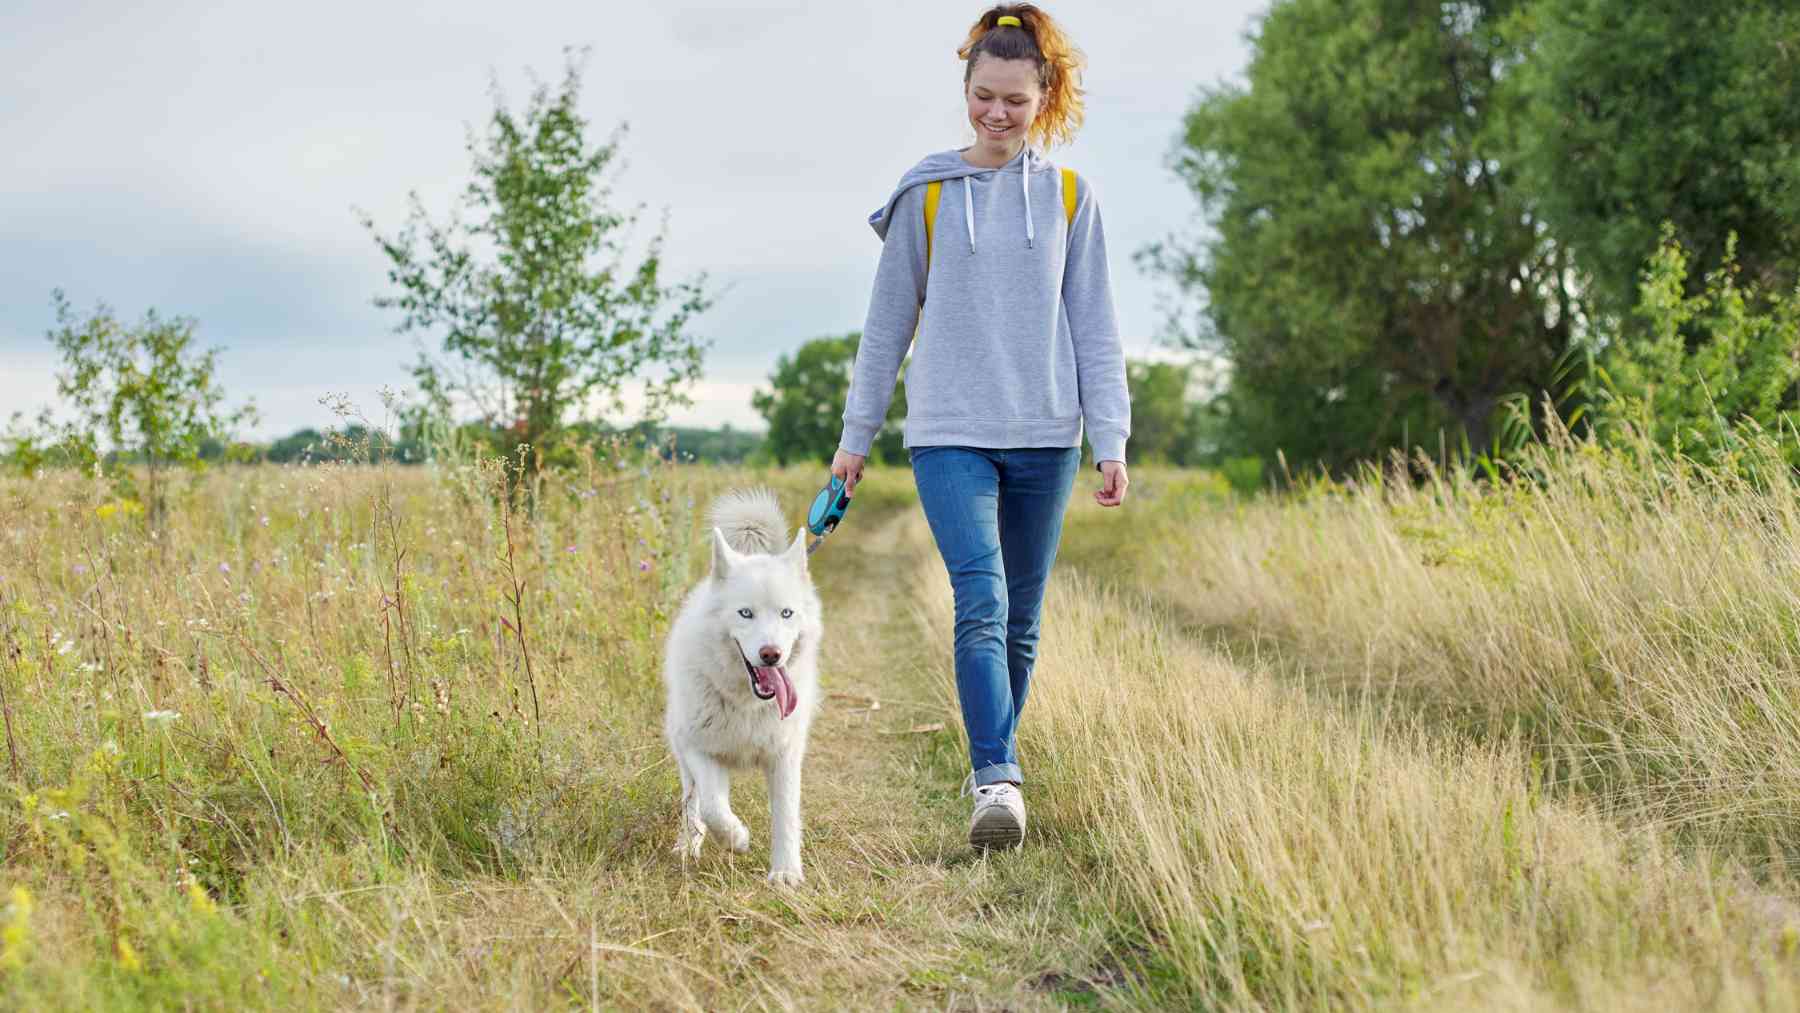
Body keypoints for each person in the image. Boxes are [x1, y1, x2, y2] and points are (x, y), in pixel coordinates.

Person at [831, 3, 1131, 851]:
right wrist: (857, 439)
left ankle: (989, 768)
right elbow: (886, 328)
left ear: (1045, 97)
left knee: (1023, 619)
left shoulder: (1073, 197)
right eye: (983, 97)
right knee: (983, 597)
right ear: (964, 88)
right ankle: (998, 776)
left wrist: (1109, 437)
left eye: (1015, 100)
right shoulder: (925, 195)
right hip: (949, 431)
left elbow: (1095, 327)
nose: (997, 115)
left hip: (1045, 435)